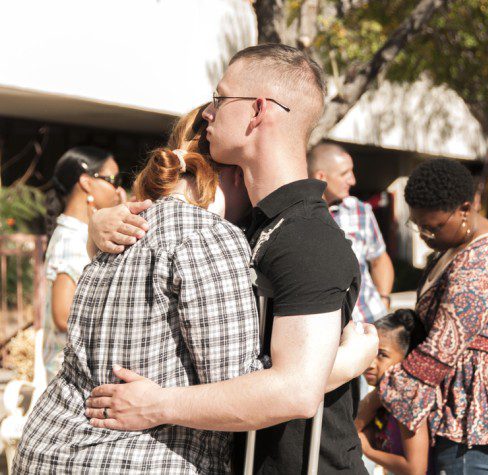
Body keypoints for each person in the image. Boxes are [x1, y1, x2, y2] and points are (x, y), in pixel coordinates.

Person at [84, 44, 379, 474]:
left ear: (257, 110)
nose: (208, 112)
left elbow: (295, 390)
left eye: (220, 99)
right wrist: (101, 228)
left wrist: (157, 405)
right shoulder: (241, 225)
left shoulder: (307, 238)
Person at [13, 107, 263, 473]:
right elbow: (236, 388)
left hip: (48, 444)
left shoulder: (125, 223)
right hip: (138, 458)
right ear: (238, 173)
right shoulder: (208, 235)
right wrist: (332, 364)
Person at [378, 158, 488, 473]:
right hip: (459, 414)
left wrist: (379, 397)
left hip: (477, 420)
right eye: (417, 226)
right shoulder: (456, 246)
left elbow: (442, 349)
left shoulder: (480, 262)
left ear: (466, 209)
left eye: (433, 226)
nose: (425, 235)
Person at [43, 146, 123, 382]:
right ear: (87, 182)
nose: (118, 189)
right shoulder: (71, 238)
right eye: (113, 179)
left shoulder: (78, 233)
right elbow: (61, 315)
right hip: (69, 377)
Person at [308, 142, 394, 322]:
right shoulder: (301, 216)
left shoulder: (360, 210)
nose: (353, 180)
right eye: (344, 173)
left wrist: (384, 299)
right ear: (321, 177)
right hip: (329, 332)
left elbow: (379, 259)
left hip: (371, 320)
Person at [356, 309, 433, 475]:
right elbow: (354, 430)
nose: (370, 363)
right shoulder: (382, 399)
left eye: (382, 355)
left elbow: (416, 469)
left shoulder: (407, 398)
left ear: (407, 359)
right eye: (370, 353)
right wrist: (374, 398)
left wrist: (369, 451)